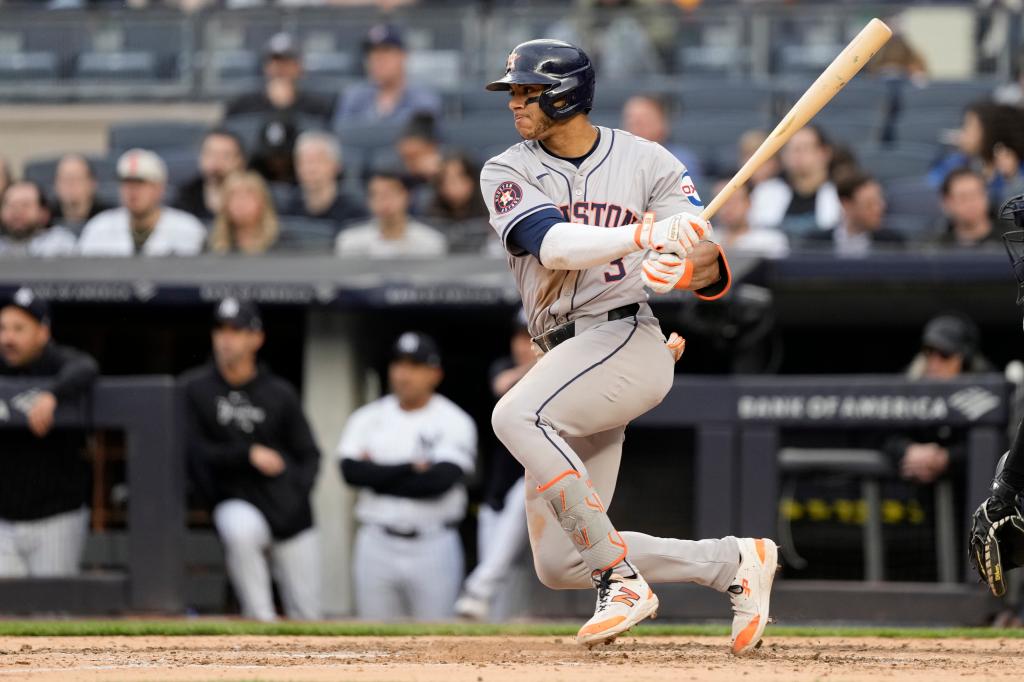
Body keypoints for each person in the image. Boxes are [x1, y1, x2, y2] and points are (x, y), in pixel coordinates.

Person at [479, 39, 776, 653]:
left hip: (624, 334)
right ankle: (731, 563)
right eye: (514, 91)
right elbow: (553, 245)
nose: (516, 102)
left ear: (566, 96)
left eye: (527, 91)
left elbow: (708, 266)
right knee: (560, 564)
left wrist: (681, 266)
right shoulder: (506, 169)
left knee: (514, 413)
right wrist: (643, 234)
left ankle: (621, 581)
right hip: (563, 357)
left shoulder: (646, 160)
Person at [181, 298, 321, 622]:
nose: (226, 338)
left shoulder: (279, 392)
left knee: (308, 614)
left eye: (237, 331)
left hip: (289, 513)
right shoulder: (195, 388)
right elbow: (194, 451)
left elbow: (309, 455)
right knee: (240, 529)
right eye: (221, 329)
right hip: (236, 500)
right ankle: (261, 622)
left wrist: (296, 495)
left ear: (256, 338)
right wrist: (246, 454)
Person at [338, 331, 477, 621]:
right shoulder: (367, 418)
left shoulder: (454, 420)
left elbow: (440, 481)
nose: (403, 374)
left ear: (434, 373)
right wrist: (409, 468)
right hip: (376, 541)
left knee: (437, 640)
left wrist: (378, 475)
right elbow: (351, 472)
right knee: (374, 639)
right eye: (399, 364)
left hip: (433, 543)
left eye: (414, 366)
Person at [0, 287, 98, 577]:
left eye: (19, 329)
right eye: (3, 328)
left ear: (42, 333)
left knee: (54, 614)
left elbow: (86, 366)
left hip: (57, 517)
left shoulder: (58, 363)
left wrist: (53, 394)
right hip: (4, 519)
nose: (8, 338)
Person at [455, 311, 533, 621]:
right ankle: (481, 597)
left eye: (531, 336)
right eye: (519, 336)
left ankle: (477, 588)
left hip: (539, 482)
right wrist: (551, 356)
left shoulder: (561, 372)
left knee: (524, 496)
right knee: (499, 584)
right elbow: (503, 385)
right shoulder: (504, 367)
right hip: (497, 489)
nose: (524, 344)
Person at [884, 314, 990, 486]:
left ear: (965, 359)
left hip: (972, 498)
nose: (934, 361)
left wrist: (946, 458)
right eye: (929, 352)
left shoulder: (985, 388)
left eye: (944, 354)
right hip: (918, 499)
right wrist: (908, 451)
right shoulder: (910, 381)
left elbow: (995, 447)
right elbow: (884, 433)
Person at [78, 149, 206, 257]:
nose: (132, 191)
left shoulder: (188, 228)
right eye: (127, 183)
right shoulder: (99, 227)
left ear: (159, 188)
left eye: (140, 183)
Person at [331, 24, 442, 127]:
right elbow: (341, 136)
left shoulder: (423, 100)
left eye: (385, 52)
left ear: (403, 56)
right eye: (371, 53)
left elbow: (424, 144)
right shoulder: (354, 96)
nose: (377, 59)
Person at [749, 125, 840, 237]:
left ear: (824, 153)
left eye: (805, 148)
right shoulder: (765, 192)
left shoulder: (840, 193)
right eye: (792, 149)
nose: (797, 155)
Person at [224, 32, 334, 124]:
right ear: (265, 67)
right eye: (274, 63)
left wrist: (286, 106)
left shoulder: (317, 107)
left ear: (299, 67)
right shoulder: (243, 104)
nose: (280, 69)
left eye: (286, 63)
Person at [929, 102, 1024, 208]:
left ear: (989, 132)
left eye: (968, 126)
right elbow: (932, 187)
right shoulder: (958, 161)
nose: (963, 133)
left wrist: (1011, 178)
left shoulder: (1016, 171)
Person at [335, 169, 447, 258]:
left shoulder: (431, 242)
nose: (383, 200)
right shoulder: (350, 242)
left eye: (389, 193)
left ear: (407, 196)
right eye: (375, 194)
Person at [282, 130, 367, 229]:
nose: (309, 169)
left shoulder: (355, 212)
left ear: (336, 165)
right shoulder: (288, 210)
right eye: (303, 162)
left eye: (317, 161)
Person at [805, 173, 905, 255]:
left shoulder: (892, 244)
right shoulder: (816, 244)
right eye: (869, 204)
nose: (879, 209)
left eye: (879, 202)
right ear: (846, 205)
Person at [621, 94, 703, 182]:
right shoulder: (614, 159)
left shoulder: (680, 161)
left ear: (663, 123)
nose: (636, 125)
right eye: (630, 119)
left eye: (645, 119)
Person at [174, 129, 248, 223]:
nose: (216, 161)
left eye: (225, 155)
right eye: (210, 153)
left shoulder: (255, 196)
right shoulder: (186, 196)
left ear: (240, 160)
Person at [711, 180, 788, 259]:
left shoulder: (770, 242)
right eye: (720, 202)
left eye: (734, 200)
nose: (728, 207)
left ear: (749, 203)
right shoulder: (707, 240)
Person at [208, 171, 279, 255]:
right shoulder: (211, 246)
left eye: (248, 195)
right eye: (233, 196)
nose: (241, 203)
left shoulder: (284, 244)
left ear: (263, 201)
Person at [0, 181, 76, 257]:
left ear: (44, 213)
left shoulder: (61, 244)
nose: (17, 212)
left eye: (25, 205)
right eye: (11, 206)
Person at [935, 168, 1001, 248]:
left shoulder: (1015, 240)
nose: (971, 204)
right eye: (963, 197)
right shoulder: (936, 249)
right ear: (946, 202)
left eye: (976, 195)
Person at [396, 113, 444, 214]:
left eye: (414, 156)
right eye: (405, 158)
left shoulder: (449, 169)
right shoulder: (399, 176)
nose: (409, 164)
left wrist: (435, 177)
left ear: (432, 148)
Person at [51, 154, 110, 234]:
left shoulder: (108, 219)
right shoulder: (46, 219)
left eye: (76, 179)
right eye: (65, 179)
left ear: (92, 184)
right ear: (56, 185)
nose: (70, 184)